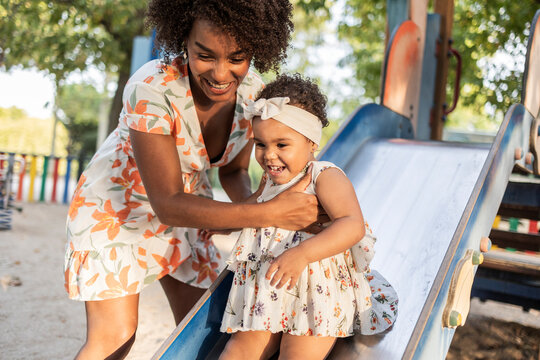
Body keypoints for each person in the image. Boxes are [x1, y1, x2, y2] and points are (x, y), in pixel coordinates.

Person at [63, 1, 324, 359]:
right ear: (183, 38)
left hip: (191, 204)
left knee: (204, 327)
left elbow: (232, 169)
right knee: (116, 336)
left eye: (237, 58)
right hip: (117, 208)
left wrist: (254, 206)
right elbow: (168, 203)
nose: (220, 74)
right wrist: (267, 214)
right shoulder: (152, 88)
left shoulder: (253, 94)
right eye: (205, 55)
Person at [219, 74, 398, 360]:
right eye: (261, 144)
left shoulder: (325, 176)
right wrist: (222, 227)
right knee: (237, 352)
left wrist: (302, 254)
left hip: (319, 296)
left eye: (282, 144)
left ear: (312, 142)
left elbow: (352, 225)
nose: (269, 156)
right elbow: (252, 210)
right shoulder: (268, 181)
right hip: (270, 289)